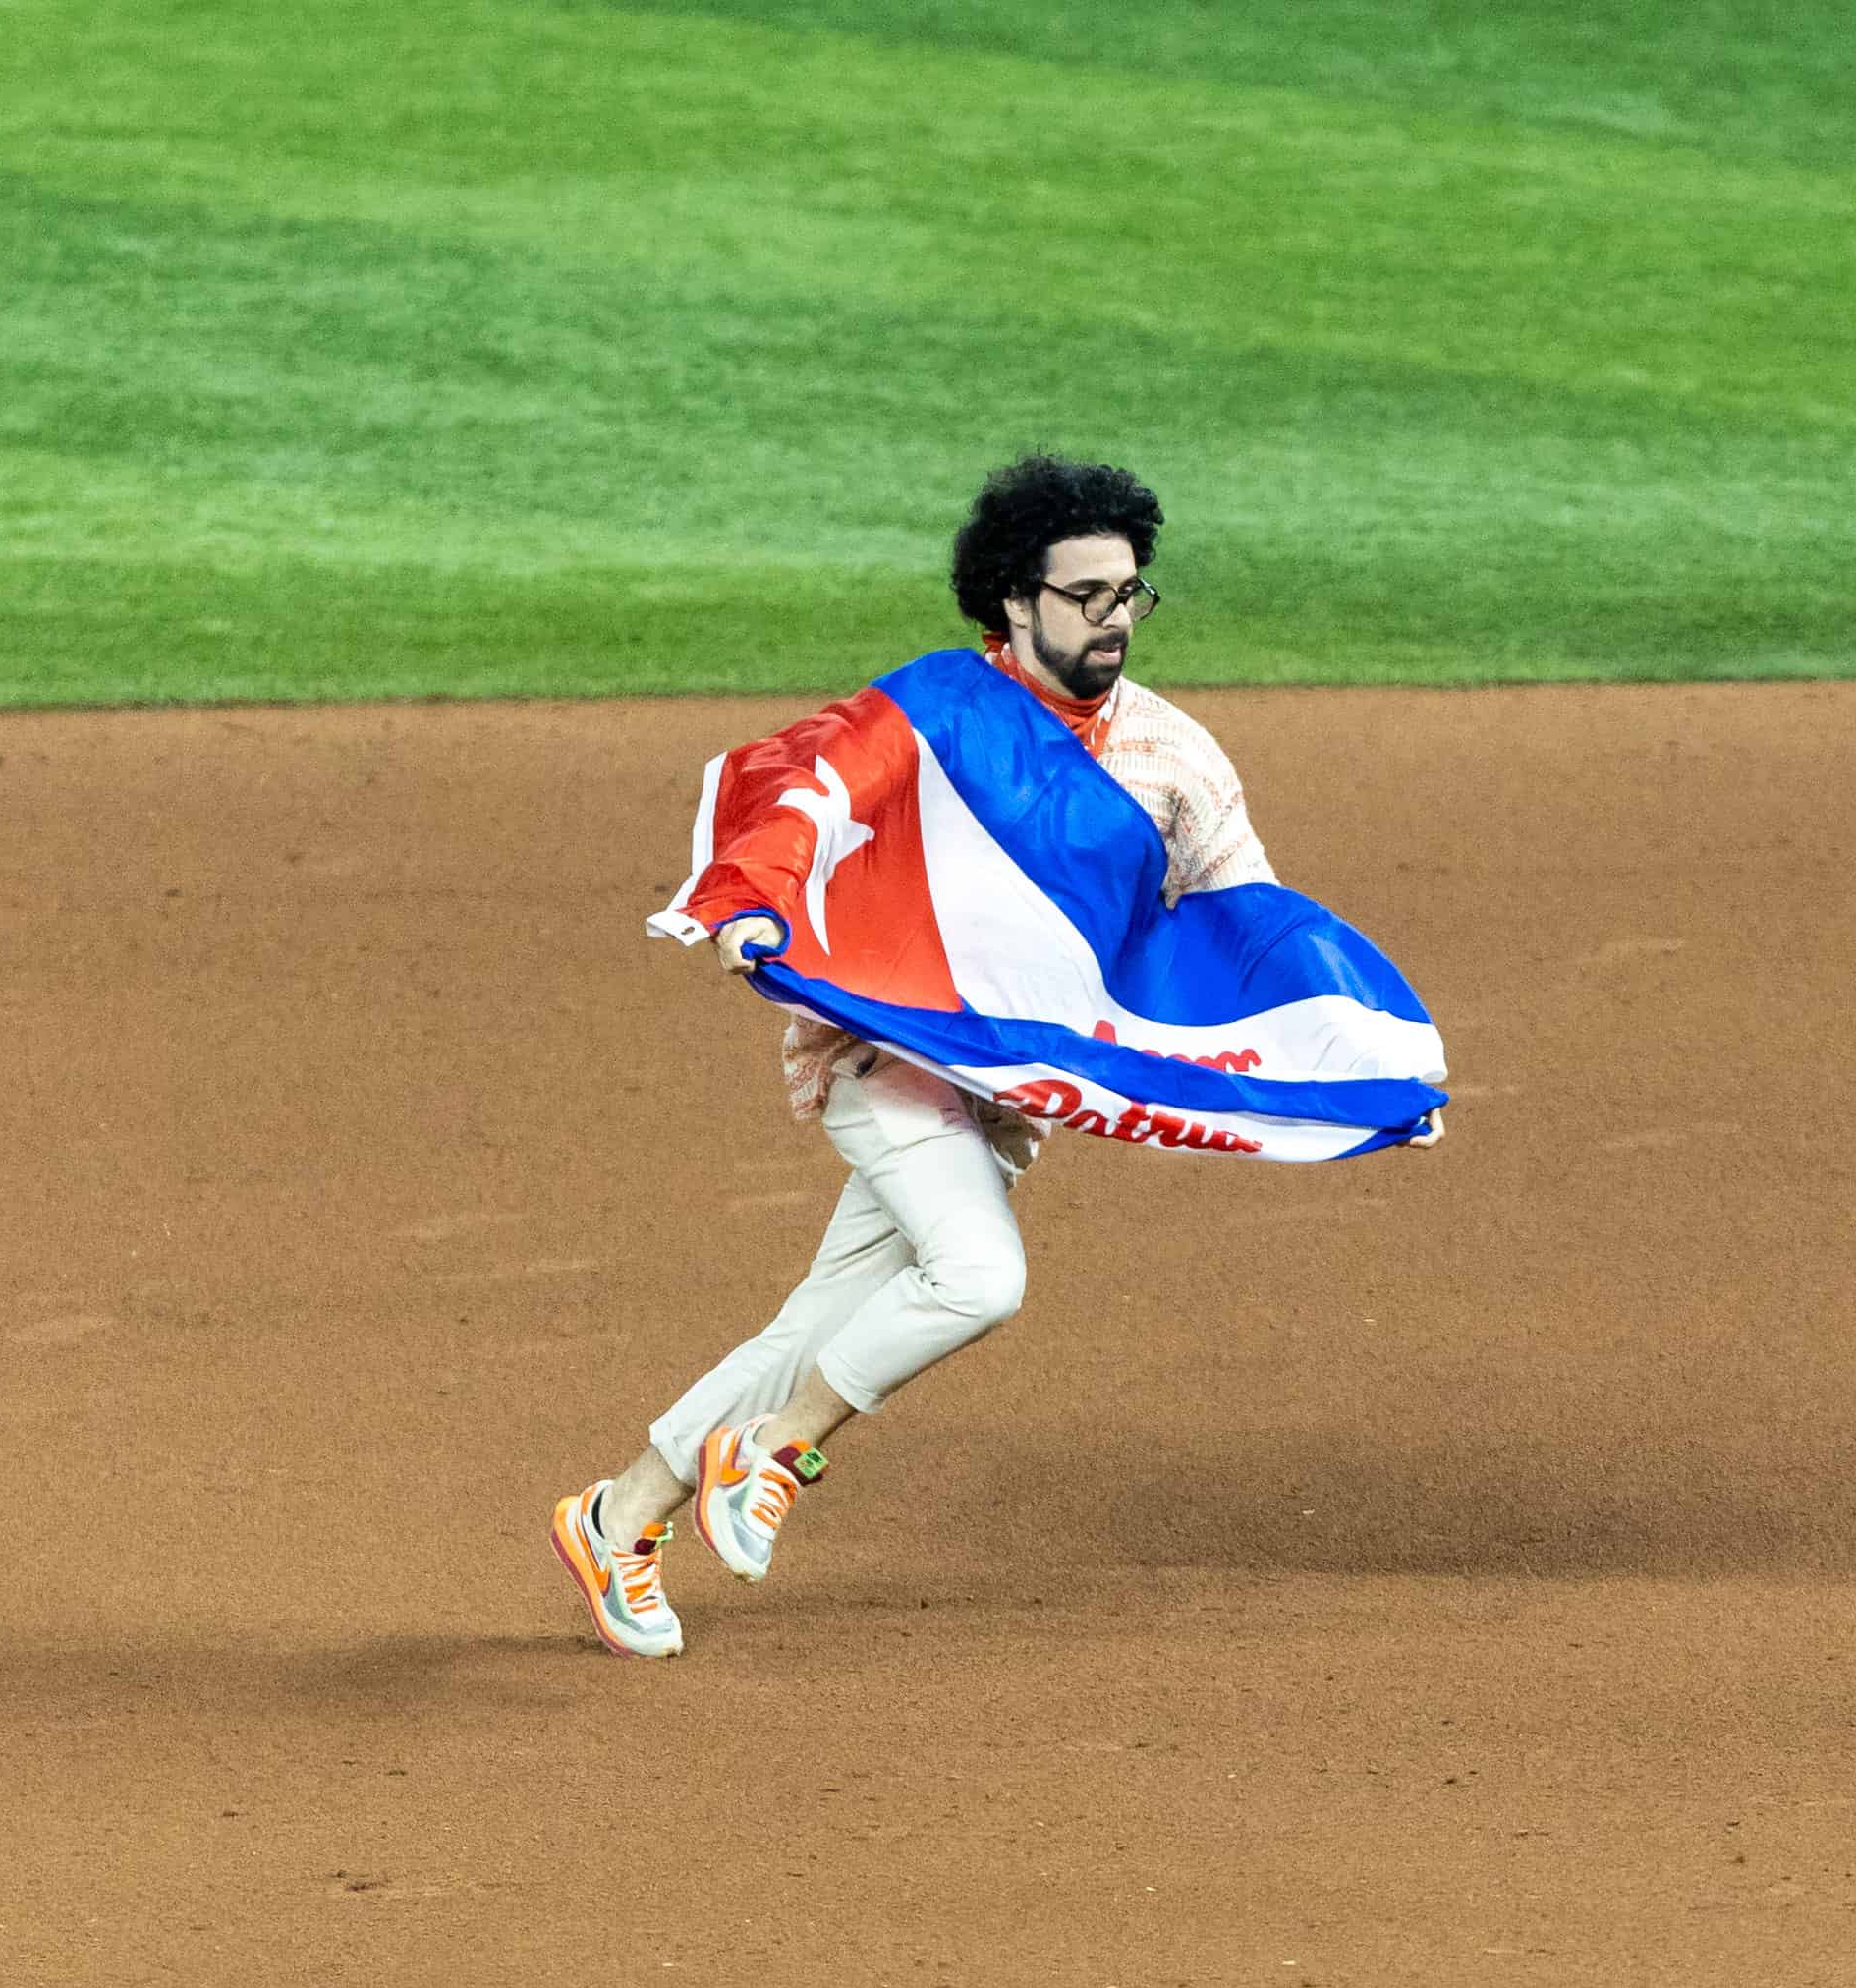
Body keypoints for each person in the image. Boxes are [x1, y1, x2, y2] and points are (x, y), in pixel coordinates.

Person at [549, 454, 1322, 1659]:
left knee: (814, 1325)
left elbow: (1251, 922)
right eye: (1086, 595)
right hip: (886, 1057)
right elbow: (802, 793)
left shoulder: (1173, 758)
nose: (1115, 619)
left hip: (1006, 1099)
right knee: (977, 1276)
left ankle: (617, 1515)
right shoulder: (932, 714)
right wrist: (751, 903)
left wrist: (1347, 1070)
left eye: (1132, 593)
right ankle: (770, 1454)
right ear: (1014, 600)